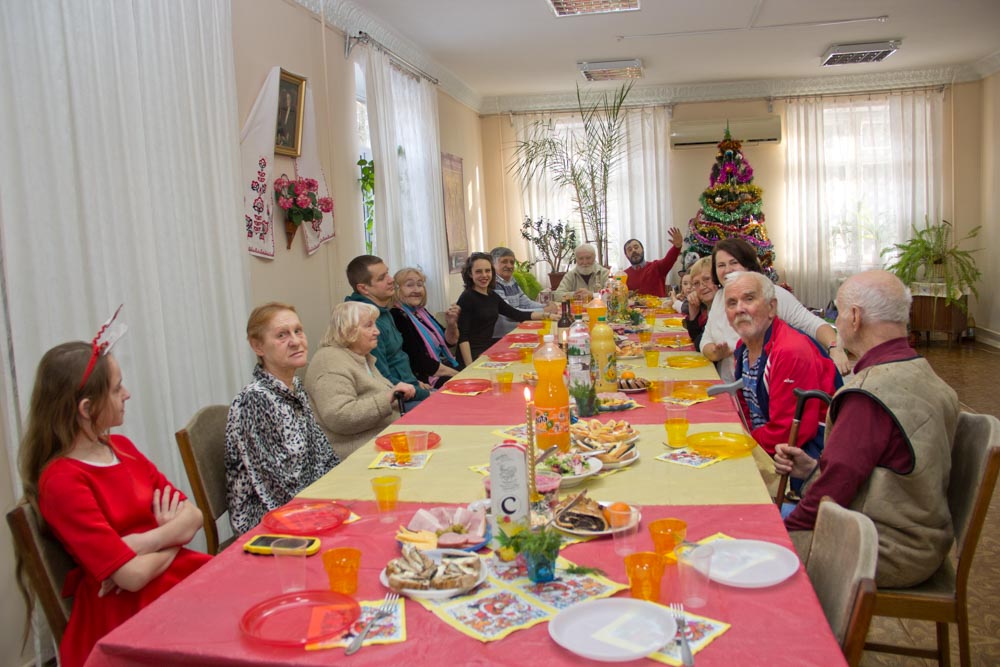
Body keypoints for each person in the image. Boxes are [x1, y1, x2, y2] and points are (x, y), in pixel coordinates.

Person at [16, 336, 210, 667]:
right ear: (86, 409)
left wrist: (139, 543)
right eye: (117, 388)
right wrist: (172, 538)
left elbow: (193, 517)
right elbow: (131, 578)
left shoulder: (122, 447)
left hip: (167, 583)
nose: (127, 394)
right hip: (125, 613)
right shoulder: (62, 481)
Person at [775, 270, 959, 588]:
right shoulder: (923, 372)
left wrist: (785, 533)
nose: (837, 322)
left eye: (838, 312)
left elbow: (834, 490)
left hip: (884, 547)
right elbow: (889, 470)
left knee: (751, 538)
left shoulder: (869, 394)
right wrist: (813, 470)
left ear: (855, 317)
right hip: (925, 539)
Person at [226, 303, 339, 534]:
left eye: (298, 331)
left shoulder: (294, 387)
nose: (296, 341)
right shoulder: (254, 400)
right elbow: (276, 492)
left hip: (312, 502)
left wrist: (346, 489)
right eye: (281, 335)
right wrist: (331, 507)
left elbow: (324, 454)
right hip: (269, 523)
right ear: (257, 346)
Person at [725, 271, 838, 458]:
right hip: (768, 445)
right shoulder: (743, 347)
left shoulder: (789, 351)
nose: (739, 309)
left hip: (809, 454)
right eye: (731, 303)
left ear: (771, 307)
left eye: (749, 299)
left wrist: (743, 442)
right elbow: (746, 411)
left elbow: (789, 432)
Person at [700, 237, 847, 381]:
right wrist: (716, 353)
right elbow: (706, 340)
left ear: (748, 265)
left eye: (734, 262)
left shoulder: (771, 293)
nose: (727, 270)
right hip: (729, 386)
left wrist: (835, 348)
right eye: (721, 265)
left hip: (770, 384)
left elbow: (814, 324)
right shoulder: (719, 297)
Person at [306, 302, 415, 460]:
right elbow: (339, 417)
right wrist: (388, 397)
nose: (377, 331)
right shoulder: (329, 360)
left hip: (381, 439)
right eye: (369, 326)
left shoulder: (360, 357)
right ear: (348, 330)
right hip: (357, 453)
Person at [345, 255, 430, 404]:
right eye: (382, 278)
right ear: (363, 288)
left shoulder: (382, 310)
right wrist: (425, 394)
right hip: (397, 400)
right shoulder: (365, 321)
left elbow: (397, 359)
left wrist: (415, 383)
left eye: (387, 273)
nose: (391, 280)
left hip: (410, 386)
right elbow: (381, 379)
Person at [457, 252, 551, 364]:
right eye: (478, 272)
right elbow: (463, 337)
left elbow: (516, 314)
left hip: (487, 350)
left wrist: (548, 315)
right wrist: (469, 367)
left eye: (487, 271)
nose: (484, 275)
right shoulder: (467, 298)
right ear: (470, 274)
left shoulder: (492, 295)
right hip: (471, 356)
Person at [390, 267, 463, 387]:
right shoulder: (397, 316)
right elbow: (418, 361)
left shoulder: (421, 312)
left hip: (441, 366)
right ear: (397, 290)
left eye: (420, 285)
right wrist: (458, 374)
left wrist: (451, 324)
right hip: (424, 378)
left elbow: (450, 342)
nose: (416, 290)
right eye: (410, 285)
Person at [490, 247, 557, 337]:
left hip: (520, 327)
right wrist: (544, 311)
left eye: (512, 262)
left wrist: (545, 306)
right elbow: (511, 312)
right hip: (505, 334)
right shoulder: (493, 284)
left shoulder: (511, 280)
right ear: (492, 264)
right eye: (504, 261)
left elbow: (526, 303)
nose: (509, 266)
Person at [622, 227, 683, 297]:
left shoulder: (657, 267)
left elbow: (669, 259)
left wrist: (677, 247)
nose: (633, 250)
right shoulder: (624, 276)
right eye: (629, 250)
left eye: (636, 247)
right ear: (626, 255)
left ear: (643, 249)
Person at [682, 257, 716, 350]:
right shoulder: (705, 307)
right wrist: (693, 311)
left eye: (707, 279)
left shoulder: (724, 306)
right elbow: (694, 336)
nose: (701, 287)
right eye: (696, 283)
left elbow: (699, 342)